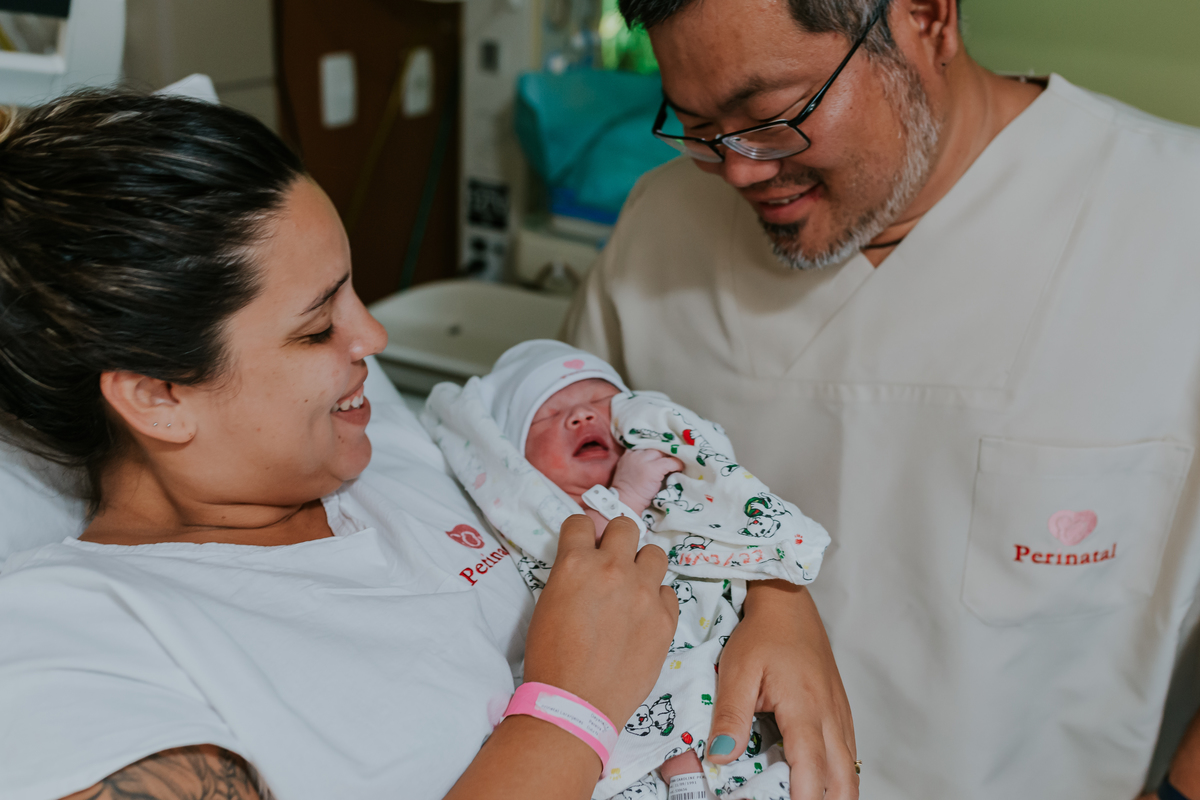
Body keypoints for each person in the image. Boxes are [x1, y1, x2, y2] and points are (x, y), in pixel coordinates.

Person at [0, 91, 853, 800]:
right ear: (157, 396)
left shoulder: (389, 450)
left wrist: (777, 598)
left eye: (352, 291)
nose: (368, 334)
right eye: (315, 328)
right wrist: (569, 708)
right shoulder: (75, 636)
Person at [563, 0, 1200, 797]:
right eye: (696, 125)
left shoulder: (1175, 223)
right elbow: (548, 510)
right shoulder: (661, 230)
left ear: (928, 19)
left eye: (771, 116)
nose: (740, 168)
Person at [421, 340, 832, 799]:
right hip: (616, 675)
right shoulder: (547, 520)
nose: (582, 417)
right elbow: (588, 567)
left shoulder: (671, 491)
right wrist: (627, 495)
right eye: (548, 415)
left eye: (599, 403)